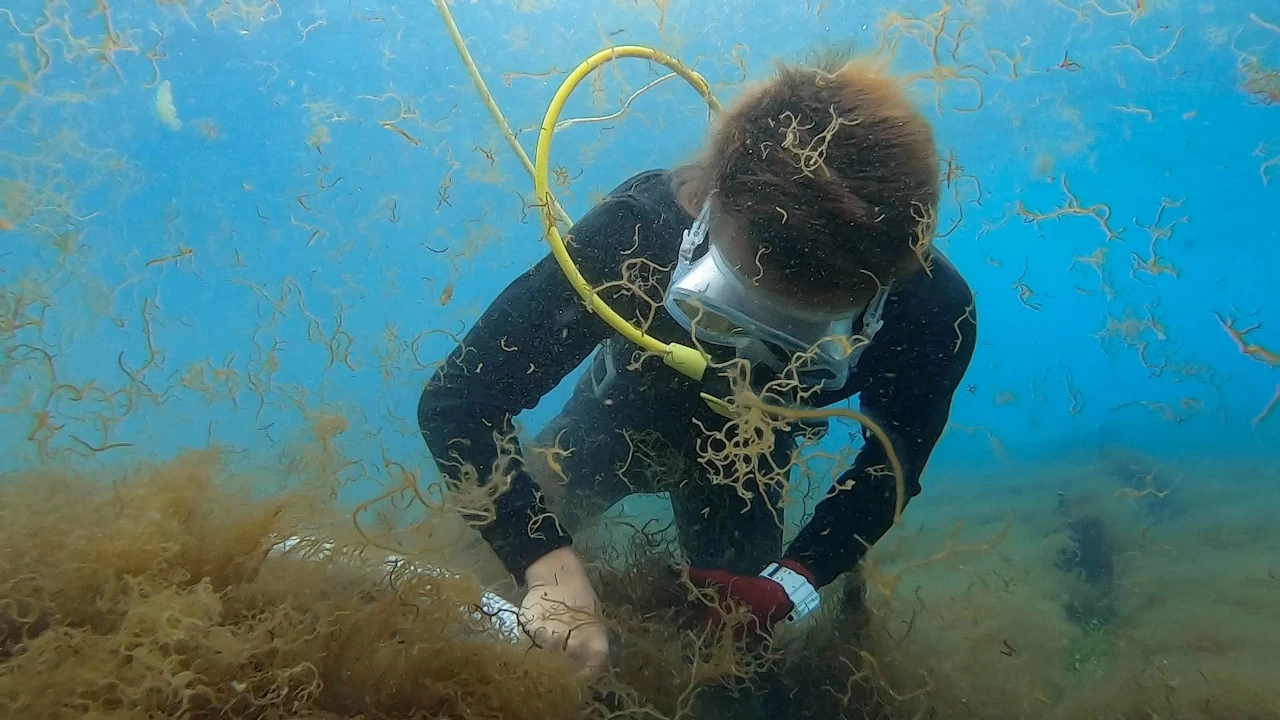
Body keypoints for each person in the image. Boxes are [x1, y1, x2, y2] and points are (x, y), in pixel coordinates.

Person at [418, 54, 977, 679]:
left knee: (741, 665)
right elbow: (461, 398)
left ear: (879, 301)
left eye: (804, 340)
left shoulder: (928, 314)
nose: (751, 353)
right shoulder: (642, 231)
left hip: (746, 471)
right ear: (704, 217)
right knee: (475, 583)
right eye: (726, 310)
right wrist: (547, 566)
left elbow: (890, 465)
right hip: (608, 421)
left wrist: (794, 582)